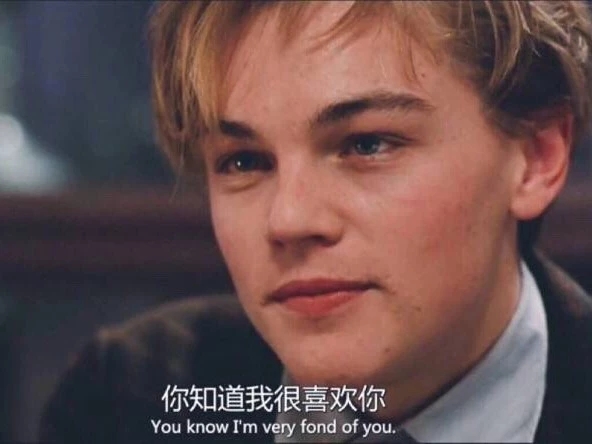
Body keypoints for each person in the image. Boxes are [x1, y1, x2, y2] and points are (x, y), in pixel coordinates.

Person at [40, 1, 592, 443]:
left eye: (367, 144)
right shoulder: (126, 400)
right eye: (244, 162)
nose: (289, 219)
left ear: (536, 158)